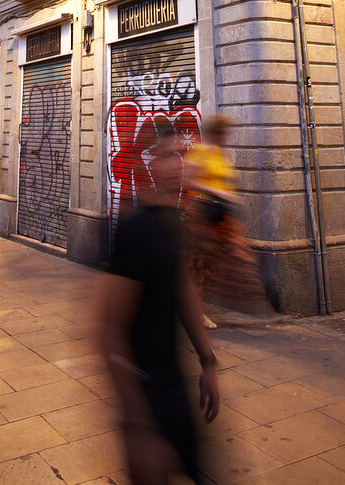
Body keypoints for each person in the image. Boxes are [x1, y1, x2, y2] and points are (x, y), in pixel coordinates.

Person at [100, 124, 220, 485]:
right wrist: (138, 423)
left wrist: (208, 360)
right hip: (147, 393)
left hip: (174, 384)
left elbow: (182, 288)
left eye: (179, 154)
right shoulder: (134, 231)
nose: (178, 164)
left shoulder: (171, 219)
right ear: (143, 165)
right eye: (168, 155)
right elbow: (108, 330)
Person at [185, 113, 270, 327]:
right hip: (204, 215)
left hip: (221, 217)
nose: (227, 136)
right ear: (216, 132)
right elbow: (189, 181)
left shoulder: (217, 153)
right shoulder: (201, 151)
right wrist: (218, 193)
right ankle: (196, 312)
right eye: (224, 132)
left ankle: (253, 306)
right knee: (200, 268)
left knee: (234, 259)